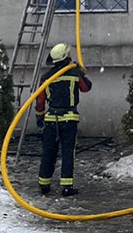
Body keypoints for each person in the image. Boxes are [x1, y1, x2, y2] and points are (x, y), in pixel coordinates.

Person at [35, 42, 92, 196]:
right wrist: (80, 71)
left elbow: (40, 100)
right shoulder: (74, 74)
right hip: (69, 120)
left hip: (51, 120)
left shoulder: (47, 77)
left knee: (48, 152)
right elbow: (87, 87)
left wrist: (39, 117)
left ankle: (44, 184)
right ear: (66, 57)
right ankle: (66, 187)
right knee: (68, 153)